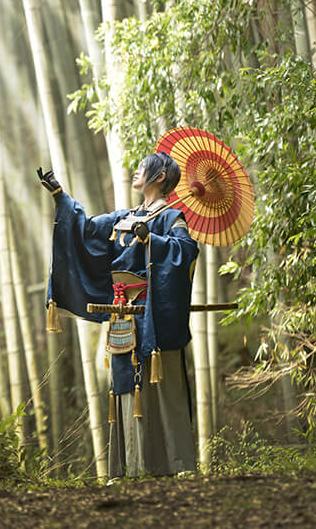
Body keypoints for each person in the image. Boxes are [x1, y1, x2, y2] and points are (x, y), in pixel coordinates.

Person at [38, 152, 198, 478]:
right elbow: (86, 232)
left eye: (143, 168)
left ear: (160, 177)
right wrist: (60, 196)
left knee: (161, 384)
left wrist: (150, 238)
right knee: (126, 387)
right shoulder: (123, 217)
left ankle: (176, 465)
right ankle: (133, 467)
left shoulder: (171, 217)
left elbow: (186, 251)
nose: (136, 171)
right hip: (123, 315)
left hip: (154, 313)